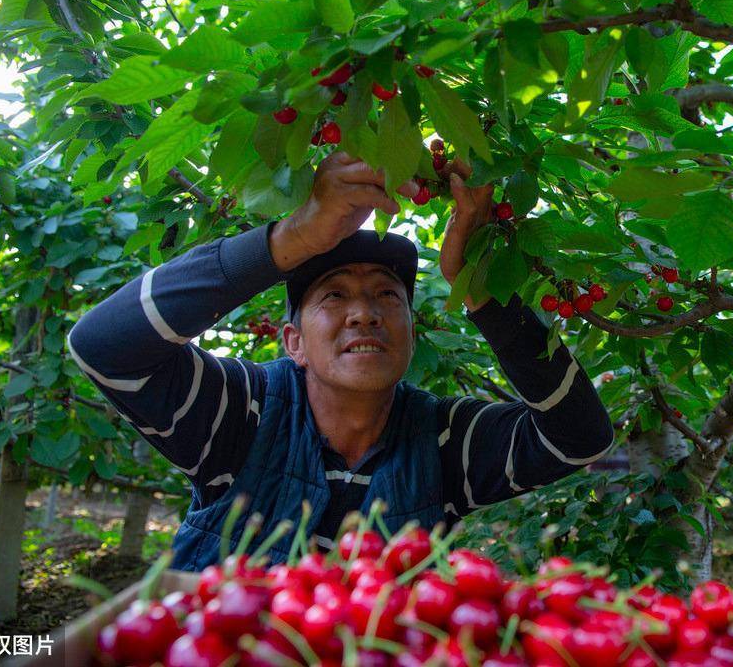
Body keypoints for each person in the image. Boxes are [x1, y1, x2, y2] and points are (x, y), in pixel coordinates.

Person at [67, 152, 614, 570]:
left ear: (411, 332)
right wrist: (294, 235)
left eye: (386, 296)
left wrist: (480, 288)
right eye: (333, 297)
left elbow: (578, 439)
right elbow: (103, 348)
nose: (363, 314)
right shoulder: (240, 413)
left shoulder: (445, 442)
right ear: (293, 342)